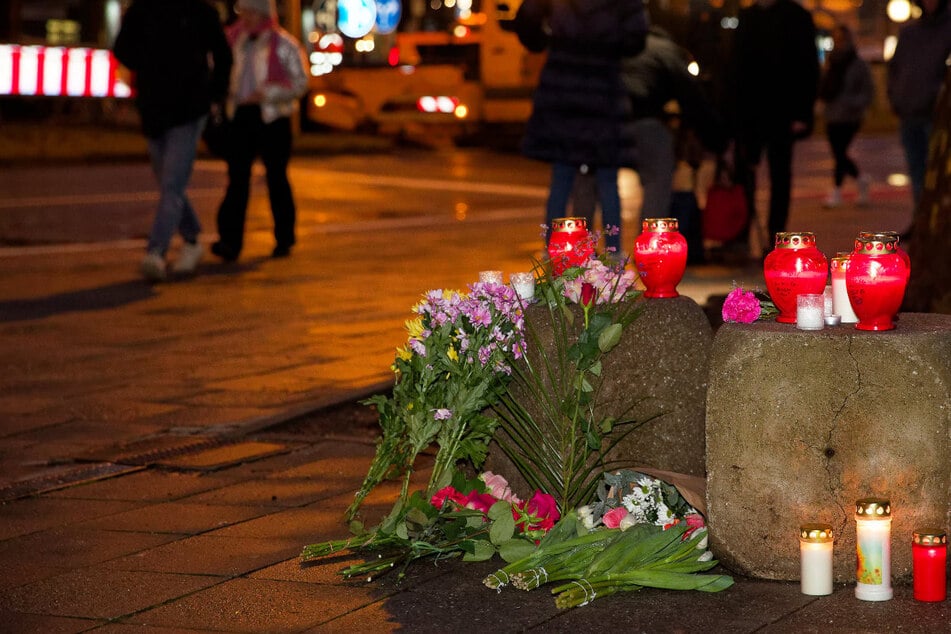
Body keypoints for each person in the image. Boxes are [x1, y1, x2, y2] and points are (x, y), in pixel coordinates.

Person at [514, 0, 649, 257]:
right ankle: (613, 253)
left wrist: (549, 41)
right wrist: (608, 47)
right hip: (603, 86)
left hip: (562, 82)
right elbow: (637, 38)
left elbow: (526, 19)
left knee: (561, 177)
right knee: (608, 179)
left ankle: (552, 252)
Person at [113, 0, 232, 282]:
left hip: (189, 110)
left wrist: (213, 95)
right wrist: (151, 64)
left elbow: (223, 55)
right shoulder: (142, 10)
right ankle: (191, 241)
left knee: (171, 184)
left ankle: (156, 251)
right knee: (170, 183)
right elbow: (122, 48)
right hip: (154, 109)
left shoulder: (200, 12)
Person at [211, 0, 309, 262]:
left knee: (277, 177)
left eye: (253, 12)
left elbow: (300, 82)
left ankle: (284, 237)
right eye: (245, 12)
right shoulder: (234, 41)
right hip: (241, 116)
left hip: (272, 117)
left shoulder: (284, 44)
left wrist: (267, 94)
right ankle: (230, 241)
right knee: (237, 179)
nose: (247, 17)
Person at [729, 0, 819, 252]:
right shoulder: (748, 17)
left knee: (780, 176)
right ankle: (741, 232)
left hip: (783, 112)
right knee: (744, 173)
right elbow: (736, 68)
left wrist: (802, 112)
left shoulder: (796, 16)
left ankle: (776, 236)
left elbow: (808, 66)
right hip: (750, 112)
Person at [887, 0, 951, 216]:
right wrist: (896, 98)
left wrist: (938, 98)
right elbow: (894, 69)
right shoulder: (909, 32)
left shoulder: (947, 29)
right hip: (909, 112)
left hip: (938, 116)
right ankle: (920, 221)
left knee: (940, 175)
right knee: (916, 171)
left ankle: (938, 227)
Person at [818, 23, 874, 209]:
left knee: (840, 153)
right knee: (838, 153)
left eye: (841, 39)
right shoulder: (831, 61)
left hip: (850, 116)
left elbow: (867, 91)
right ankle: (861, 180)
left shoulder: (858, 64)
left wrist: (853, 103)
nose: (838, 42)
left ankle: (837, 190)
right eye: (836, 39)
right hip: (832, 114)